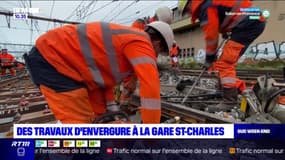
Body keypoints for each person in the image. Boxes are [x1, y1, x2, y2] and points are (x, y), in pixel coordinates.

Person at [25, 21, 174, 124]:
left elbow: (102, 84)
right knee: (79, 128)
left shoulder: (125, 41)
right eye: (159, 53)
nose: (155, 57)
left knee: (92, 119)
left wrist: (109, 115)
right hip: (55, 60)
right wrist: (151, 134)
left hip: (60, 63)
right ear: (158, 44)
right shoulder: (143, 43)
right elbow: (151, 90)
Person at [178, 0, 266, 112]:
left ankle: (229, 101)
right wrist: (228, 30)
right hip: (252, 19)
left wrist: (209, 58)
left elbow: (211, 36)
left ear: (190, 3)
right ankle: (230, 91)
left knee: (225, 63)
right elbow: (227, 14)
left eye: (187, 11)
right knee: (224, 62)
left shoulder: (205, 8)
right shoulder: (209, 3)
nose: (189, 13)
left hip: (249, 23)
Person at [118, 6, 173, 104]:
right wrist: (131, 80)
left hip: (131, 68)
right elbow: (130, 57)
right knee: (125, 87)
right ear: (156, 18)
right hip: (123, 66)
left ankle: (124, 105)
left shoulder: (155, 37)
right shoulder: (139, 25)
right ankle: (122, 105)